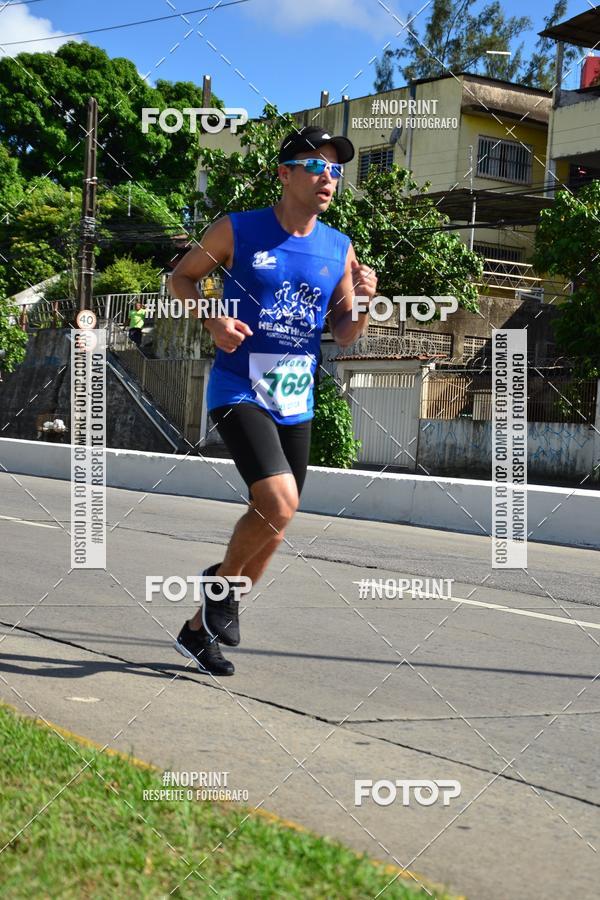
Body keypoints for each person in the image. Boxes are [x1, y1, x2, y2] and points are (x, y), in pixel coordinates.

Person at [168, 126, 378, 676]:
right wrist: (210, 317)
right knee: (279, 501)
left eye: (335, 169)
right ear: (284, 174)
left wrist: (365, 304)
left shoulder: (339, 247)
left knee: (275, 525)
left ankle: (198, 629)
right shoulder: (238, 229)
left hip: (296, 399)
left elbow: (346, 333)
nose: (328, 177)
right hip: (239, 387)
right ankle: (220, 588)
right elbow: (181, 278)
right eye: (315, 166)